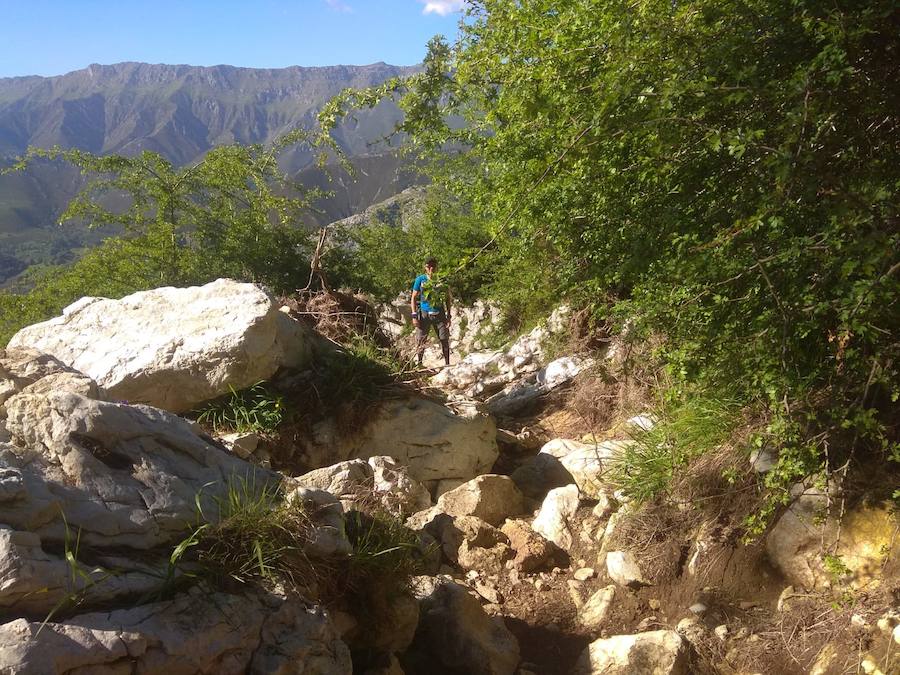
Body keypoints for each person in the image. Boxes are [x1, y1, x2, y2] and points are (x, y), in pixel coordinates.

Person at [411, 256, 452, 366]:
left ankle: (447, 364)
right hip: (424, 314)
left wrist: (449, 315)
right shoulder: (420, 280)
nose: (431, 269)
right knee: (421, 340)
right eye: (429, 266)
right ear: (425, 267)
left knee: (444, 339)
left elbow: (448, 297)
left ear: (436, 267)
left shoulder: (442, 279)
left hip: (439, 313)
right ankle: (419, 364)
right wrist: (414, 316)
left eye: (433, 266)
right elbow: (414, 297)